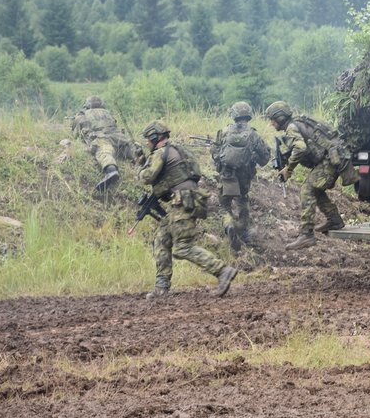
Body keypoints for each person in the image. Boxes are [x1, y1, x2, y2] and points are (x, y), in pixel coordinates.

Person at [137, 120, 237, 299]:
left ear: (155, 137)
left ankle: (222, 271)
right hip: (186, 199)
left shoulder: (161, 152)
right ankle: (161, 287)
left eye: (148, 139)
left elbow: (148, 177)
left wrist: (141, 166)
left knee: (183, 247)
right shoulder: (177, 150)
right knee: (161, 239)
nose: (147, 143)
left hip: (182, 201)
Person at [264, 100, 359, 250]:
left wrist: (289, 169)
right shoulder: (298, 123)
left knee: (307, 189)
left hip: (330, 159)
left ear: (280, 118)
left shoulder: (291, 128)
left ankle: (306, 235)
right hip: (335, 156)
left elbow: (300, 149)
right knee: (315, 188)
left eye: (273, 120)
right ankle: (334, 220)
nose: (271, 124)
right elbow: (308, 145)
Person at [211, 101, 270, 253]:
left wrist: (222, 164)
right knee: (243, 200)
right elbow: (264, 159)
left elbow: (215, 153)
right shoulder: (253, 134)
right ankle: (243, 232)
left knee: (224, 205)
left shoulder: (223, 131)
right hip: (244, 175)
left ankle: (229, 224)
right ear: (248, 115)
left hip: (227, 174)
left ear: (234, 115)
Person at [70, 95, 139, 192]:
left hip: (102, 138)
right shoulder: (108, 113)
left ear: (87, 105)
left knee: (104, 152)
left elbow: (76, 134)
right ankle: (141, 163)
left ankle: (111, 171)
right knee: (131, 149)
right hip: (119, 137)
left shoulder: (83, 115)